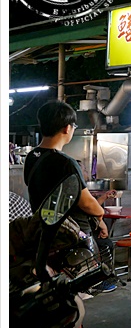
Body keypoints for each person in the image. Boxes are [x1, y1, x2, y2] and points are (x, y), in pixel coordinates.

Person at [23, 100, 118, 293]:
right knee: (74, 292)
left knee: (53, 290)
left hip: (43, 232)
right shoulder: (65, 162)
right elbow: (86, 203)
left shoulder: (32, 157)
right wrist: (100, 216)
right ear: (67, 128)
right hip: (72, 236)